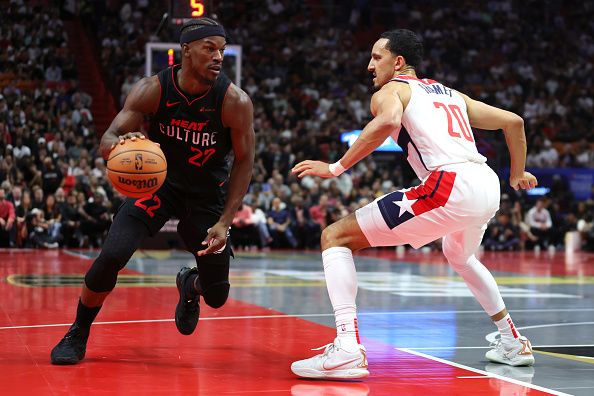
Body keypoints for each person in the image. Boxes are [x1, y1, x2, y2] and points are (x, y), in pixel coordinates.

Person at [290, 29, 537, 379]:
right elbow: (514, 122)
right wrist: (518, 172)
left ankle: (347, 348)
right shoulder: (452, 94)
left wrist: (335, 168)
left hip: (449, 184)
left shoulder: (392, 90)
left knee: (335, 237)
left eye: (377, 57)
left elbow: (388, 122)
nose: (369, 65)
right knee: (460, 256)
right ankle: (513, 341)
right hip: (487, 184)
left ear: (399, 62)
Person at [50, 17, 255, 365]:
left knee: (217, 297)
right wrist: (120, 145)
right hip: (159, 186)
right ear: (186, 51)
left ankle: (190, 285)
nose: (218, 56)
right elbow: (108, 139)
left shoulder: (234, 101)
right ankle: (78, 332)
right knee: (111, 257)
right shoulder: (153, 89)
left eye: (221, 50)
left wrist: (225, 221)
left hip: (206, 195)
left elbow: (245, 161)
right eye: (209, 48)